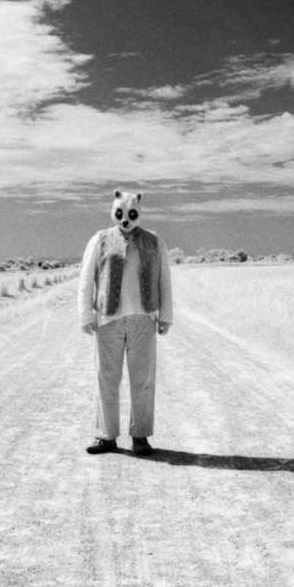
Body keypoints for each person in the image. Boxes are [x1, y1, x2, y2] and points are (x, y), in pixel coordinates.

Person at [77, 188, 173, 456]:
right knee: (106, 378)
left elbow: (164, 279)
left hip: (143, 318)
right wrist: (85, 315)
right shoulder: (100, 240)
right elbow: (86, 279)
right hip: (108, 319)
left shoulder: (155, 242)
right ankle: (106, 436)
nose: (126, 219)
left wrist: (166, 316)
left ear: (139, 212)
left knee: (143, 379)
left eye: (131, 214)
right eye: (120, 214)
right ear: (114, 211)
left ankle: (140, 436)